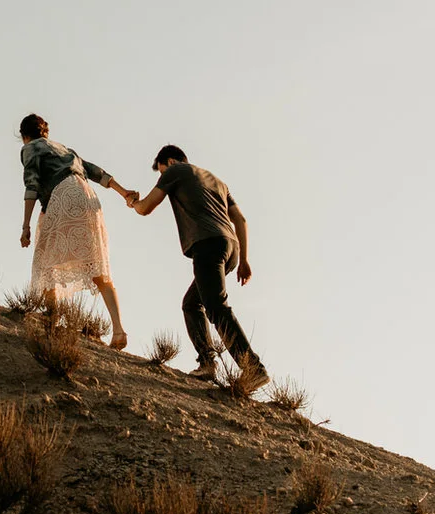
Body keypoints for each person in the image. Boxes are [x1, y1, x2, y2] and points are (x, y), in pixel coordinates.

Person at [128, 144, 263, 390]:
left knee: (216, 307)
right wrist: (243, 260)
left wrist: (134, 203)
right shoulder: (217, 181)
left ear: (168, 162)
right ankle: (208, 363)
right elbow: (240, 220)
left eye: (160, 172)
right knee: (192, 304)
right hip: (230, 247)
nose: (162, 178)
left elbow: (146, 207)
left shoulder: (175, 171)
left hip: (207, 244)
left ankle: (253, 368)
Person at [17, 113, 135, 347]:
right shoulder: (66, 150)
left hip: (62, 196)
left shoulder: (30, 148)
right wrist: (125, 193)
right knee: (97, 265)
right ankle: (119, 331)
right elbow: (97, 173)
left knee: (46, 263)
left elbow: (32, 184)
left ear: (25, 136)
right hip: (89, 198)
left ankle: (52, 320)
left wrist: (25, 226)